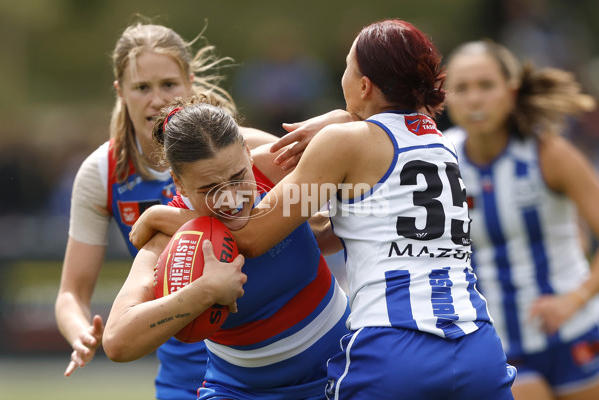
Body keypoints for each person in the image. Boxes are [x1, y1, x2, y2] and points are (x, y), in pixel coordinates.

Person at [132, 19, 517, 399]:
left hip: (393, 346)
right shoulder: (446, 145)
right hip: (478, 344)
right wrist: (344, 117)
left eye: (348, 68)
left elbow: (250, 236)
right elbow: (332, 232)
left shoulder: (342, 142)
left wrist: (161, 215)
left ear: (363, 85)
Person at [54, 22, 276, 400]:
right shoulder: (101, 172)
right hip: (182, 365)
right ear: (120, 92)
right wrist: (80, 332)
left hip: (262, 351)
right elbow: (70, 293)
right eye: (142, 87)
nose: (156, 99)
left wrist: (162, 217)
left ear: (189, 83)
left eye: (168, 85)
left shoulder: (241, 149)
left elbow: (319, 206)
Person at [103, 95, 351, 400]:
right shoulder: (168, 241)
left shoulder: (276, 168)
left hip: (343, 369)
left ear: (247, 154)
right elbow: (117, 341)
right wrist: (204, 292)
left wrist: (342, 120)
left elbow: (374, 145)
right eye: (209, 190)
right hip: (239, 391)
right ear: (178, 184)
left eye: (238, 178)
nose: (231, 200)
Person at [443, 40, 599, 400]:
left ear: (511, 92)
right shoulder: (439, 159)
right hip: (498, 345)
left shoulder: (549, 154)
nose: (475, 99)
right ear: (447, 97)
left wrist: (574, 299)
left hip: (574, 333)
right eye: (462, 88)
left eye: (486, 85)